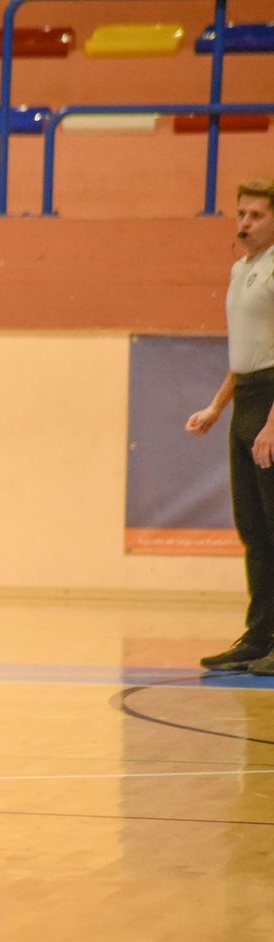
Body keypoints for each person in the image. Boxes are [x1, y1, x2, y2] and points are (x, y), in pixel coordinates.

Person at [189, 177, 274, 673]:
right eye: (241, 214)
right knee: (253, 529)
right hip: (246, 400)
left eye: (256, 215)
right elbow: (243, 354)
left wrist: (270, 423)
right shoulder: (241, 269)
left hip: (269, 403)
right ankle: (258, 635)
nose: (244, 223)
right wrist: (217, 407)